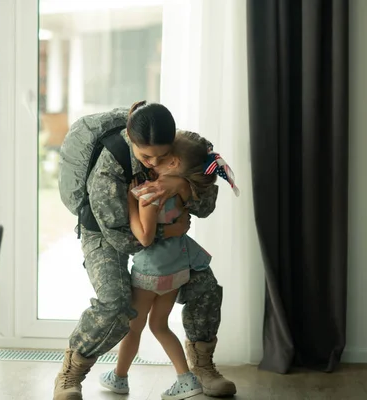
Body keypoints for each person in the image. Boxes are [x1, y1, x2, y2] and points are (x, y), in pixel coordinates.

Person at [53, 101, 237, 400]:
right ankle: (71, 373)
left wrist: (181, 184)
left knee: (207, 290)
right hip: (105, 231)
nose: (153, 162)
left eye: (163, 156)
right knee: (115, 304)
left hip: (155, 231)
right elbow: (120, 236)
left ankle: (203, 366)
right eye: (145, 155)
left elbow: (205, 207)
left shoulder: (182, 147)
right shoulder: (109, 164)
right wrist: (168, 229)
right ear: (130, 136)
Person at [98, 131, 240, 399]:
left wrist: (131, 202)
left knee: (134, 326)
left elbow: (145, 236)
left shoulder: (149, 193)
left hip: (150, 272)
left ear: (172, 161)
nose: (152, 160)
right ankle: (185, 378)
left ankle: (119, 377)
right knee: (160, 326)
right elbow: (184, 221)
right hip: (177, 269)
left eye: (159, 157)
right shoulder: (184, 191)